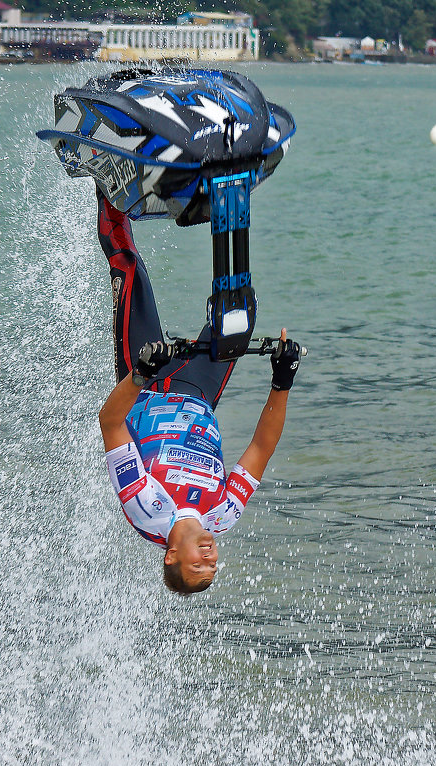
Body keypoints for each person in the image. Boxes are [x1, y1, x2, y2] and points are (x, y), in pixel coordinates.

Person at [95, 192, 301, 595]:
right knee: (239, 315)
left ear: (171, 556)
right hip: (197, 391)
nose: (210, 557)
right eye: (213, 566)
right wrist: (283, 379)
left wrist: (140, 375)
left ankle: (109, 182)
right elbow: (262, 447)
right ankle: (217, 198)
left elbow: (109, 423)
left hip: (145, 382)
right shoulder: (222, 514)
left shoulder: (145, 509)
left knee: (129, 267)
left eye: (198, 565)